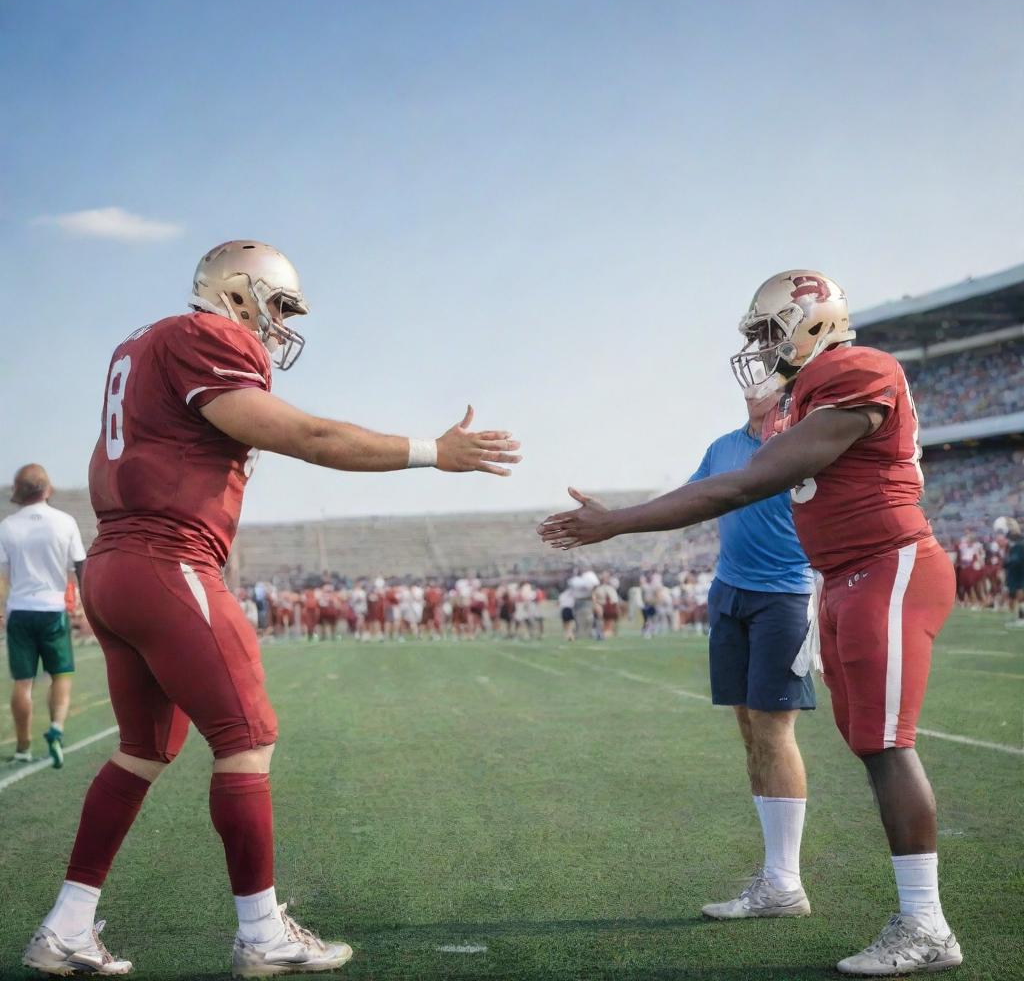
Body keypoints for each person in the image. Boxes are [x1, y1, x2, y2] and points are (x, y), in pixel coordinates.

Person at [22, 240, 521, 978]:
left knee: (145, 748)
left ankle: (66, 926)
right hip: (167, 560)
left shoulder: (143, 342)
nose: (282, 324)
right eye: (280, 305)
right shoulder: (205, 336)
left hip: (115, 563)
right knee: (247, 736)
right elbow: (308, 437)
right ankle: (261, 934)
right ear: (238, 292)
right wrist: (430, 451)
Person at [539, 270, 961, 976]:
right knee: (868, 743)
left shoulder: (858, 369)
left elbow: (741, 484)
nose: (761, 347)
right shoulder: (802, 395)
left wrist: (617, 525)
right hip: (845, 575)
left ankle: (926, 925)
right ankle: (809, 891)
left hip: (887, 566)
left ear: (813, 321)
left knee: (889, 746)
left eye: (769, 331)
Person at [683, 390, 817, 921]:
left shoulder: (805, 444)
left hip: (786, 594)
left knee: (774, 729)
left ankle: (786, 883)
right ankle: (775, 876)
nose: (754, 373)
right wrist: (620, 518)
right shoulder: (722, 446)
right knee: (750, 732)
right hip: (729, 591)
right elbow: (691, 500)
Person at [0, 465, 86, 770]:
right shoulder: (65, 522)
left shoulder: (7, 526)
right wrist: (85, 604)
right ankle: (57, 729)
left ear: (18, 493)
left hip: (20, 611)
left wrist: (1, 608)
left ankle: (23, 747)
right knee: (60, 674)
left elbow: (3, 576)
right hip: (53, 611)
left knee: (23, 683)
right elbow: (80, 566)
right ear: (47, 490)